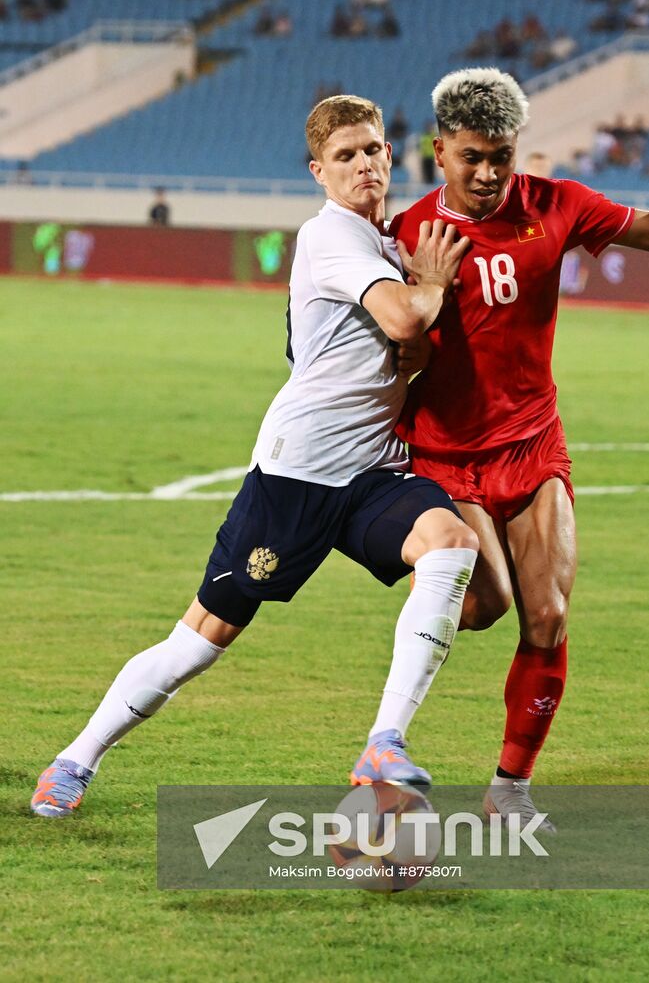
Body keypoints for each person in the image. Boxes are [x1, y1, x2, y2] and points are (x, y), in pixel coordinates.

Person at [30, 95, 478, 818]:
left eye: (372, 150)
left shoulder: (390, 243)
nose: (362, 164)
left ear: (391, 156)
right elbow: (403, 320)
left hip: (372, 470)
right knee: (202, 639)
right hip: (295, 474)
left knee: (452, 546)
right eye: (344, 156)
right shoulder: (330, 236)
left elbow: (414, 352)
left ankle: (385, 741)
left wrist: (419, 313)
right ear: (318, 172)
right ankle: (76, 759)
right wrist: (428, 289)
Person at [389, 67, 649, 828]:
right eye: (472, 156)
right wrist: (426, 292)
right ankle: (394, 717)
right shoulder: (406, 233)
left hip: (533, 447)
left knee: (545, 615)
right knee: (483, 606)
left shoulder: (557, 205)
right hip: (446, 457)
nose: (487, 173)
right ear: (440, 150)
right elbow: (388, 356)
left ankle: (510, 786)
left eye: (502, 157)